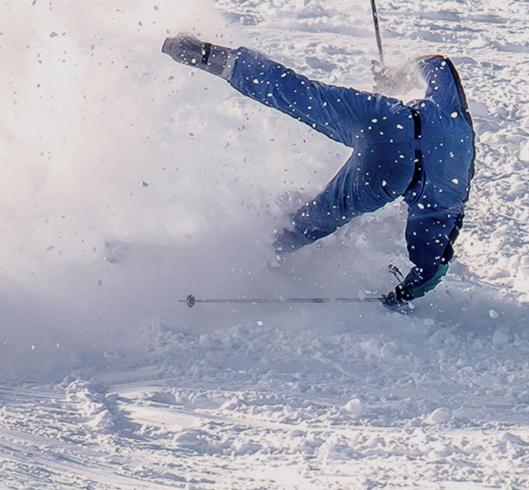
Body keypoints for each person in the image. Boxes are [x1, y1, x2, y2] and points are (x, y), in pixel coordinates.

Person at [162, 35, 475, 308]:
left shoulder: (455, 115)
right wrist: (404, 293)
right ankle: (261, 253)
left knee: (305, 94)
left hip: (387, 120)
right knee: (320, 218)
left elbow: (437, 64)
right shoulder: (449, 203)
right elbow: (430, 267)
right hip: (389, 175)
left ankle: (215, 58)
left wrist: (394, 77)